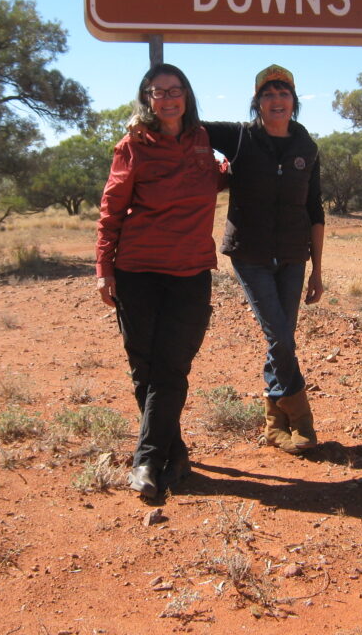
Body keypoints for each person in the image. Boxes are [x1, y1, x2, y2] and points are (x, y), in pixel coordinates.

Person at [96, 63, 221, 498]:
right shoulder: (132, 146)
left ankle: (147, 459)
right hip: (137, 272)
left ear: (186, 95)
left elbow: (230, 173)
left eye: (175, 90)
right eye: (157, 92)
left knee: (172, 367)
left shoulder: (205, 142)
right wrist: (103, 269)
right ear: (147, 98)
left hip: (190, 273)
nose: (167, 98)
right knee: (144, 369)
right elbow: (111, 211)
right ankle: (172, 453)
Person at [202, 64, 325, 454]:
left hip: (293, 254)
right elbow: (188, 125)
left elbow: (315, 210)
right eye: (268, 94)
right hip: (250, 254)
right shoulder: (238, 137)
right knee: (280, 335)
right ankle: (301, 416)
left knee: (281, 338)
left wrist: (318, 269)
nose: (276, 100)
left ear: (294, 102)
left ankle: (274, 422)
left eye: (283, 93)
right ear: (257, 102)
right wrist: (146, 122)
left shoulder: (307, 147)